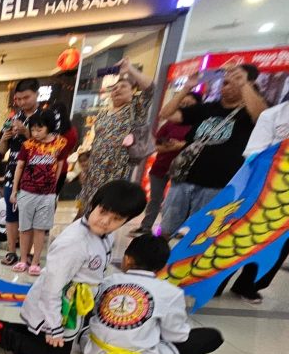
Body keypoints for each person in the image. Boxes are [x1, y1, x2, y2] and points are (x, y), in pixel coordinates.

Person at [0, 180, 147, 354]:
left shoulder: (104, 235)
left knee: (48, 340)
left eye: (116, 219)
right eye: (103, 212)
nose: (105, 222)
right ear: (94, 204)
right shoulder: (75, 242)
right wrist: (54, 327)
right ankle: (0, 335)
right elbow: (52, 288)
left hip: (73, 302)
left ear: (126, 221)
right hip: (59, 303)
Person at [80, 235, 224, 354]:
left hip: (94, 350)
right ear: (162, 267)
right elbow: (176, 335)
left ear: (127, 259)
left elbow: (96, 312)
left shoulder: (109, 281)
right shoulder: (170, 292)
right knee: (211, 336)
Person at [158, 64, 267, 238]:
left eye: (234, 82)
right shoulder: (207, 108)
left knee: (201, 235)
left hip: (218, 186)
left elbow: (262, 117)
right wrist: (186, 88)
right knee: (168, 229)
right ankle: (160, 261)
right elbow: (167, 113)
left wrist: (244, 84)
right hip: (183, 179)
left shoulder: (250, 113)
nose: (227, 86)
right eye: (225, 83)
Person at [228, 99, 289, 303]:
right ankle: (215, 281)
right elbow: (253, 153)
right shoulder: (273, 115)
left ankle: (248, 285)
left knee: (278, 244)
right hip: (264, 187)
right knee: (240, 236)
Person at [77, 58, 155, 212]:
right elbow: (97, 141)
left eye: (123, 86)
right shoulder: (104, 113)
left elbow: (151, 89)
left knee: (108, 207)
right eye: (114, 88)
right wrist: (85, 169)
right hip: (95, 170)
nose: (117, 90)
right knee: (88, 207)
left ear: (133, 90)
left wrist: (130, 69)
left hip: (115, 170)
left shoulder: (135, 109)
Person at [10, 113, 69, 275]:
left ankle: (35, 262)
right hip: (27, 191)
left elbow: (60, 166)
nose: (35, 133)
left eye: (39, 129)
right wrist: (15, 190)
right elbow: (19, 167)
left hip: (47, 194)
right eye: (33, 130)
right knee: (24, 228)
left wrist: (53, 189)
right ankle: (23, 260)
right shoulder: (28, 145)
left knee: (40, 229)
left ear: (49, 127)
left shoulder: (60, 144)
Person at [138, 93, 200, 234]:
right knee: (155, 199)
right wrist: (170, 147)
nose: (185, 107)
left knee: (179, 201)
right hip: (161, 167)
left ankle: (177, 230)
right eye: (183, 104)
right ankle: (146, 226)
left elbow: (198, 145)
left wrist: (180, 146)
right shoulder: (170, 123)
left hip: (184, 170)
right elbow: (156, 144)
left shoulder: (198, 125)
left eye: (189, 105)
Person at [0, 78, 42, 266]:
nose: (22, 102)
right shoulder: (12, 119)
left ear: (36, 94)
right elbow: (0, 152)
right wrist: (5, 139)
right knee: (11, 212)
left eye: (26, 97)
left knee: (30, 215)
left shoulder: (44, 118)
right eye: (19, 99)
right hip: (13, 169)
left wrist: (26, 133)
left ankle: (27, 253)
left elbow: (49, 146)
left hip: (36, 172)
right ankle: (11, 252)